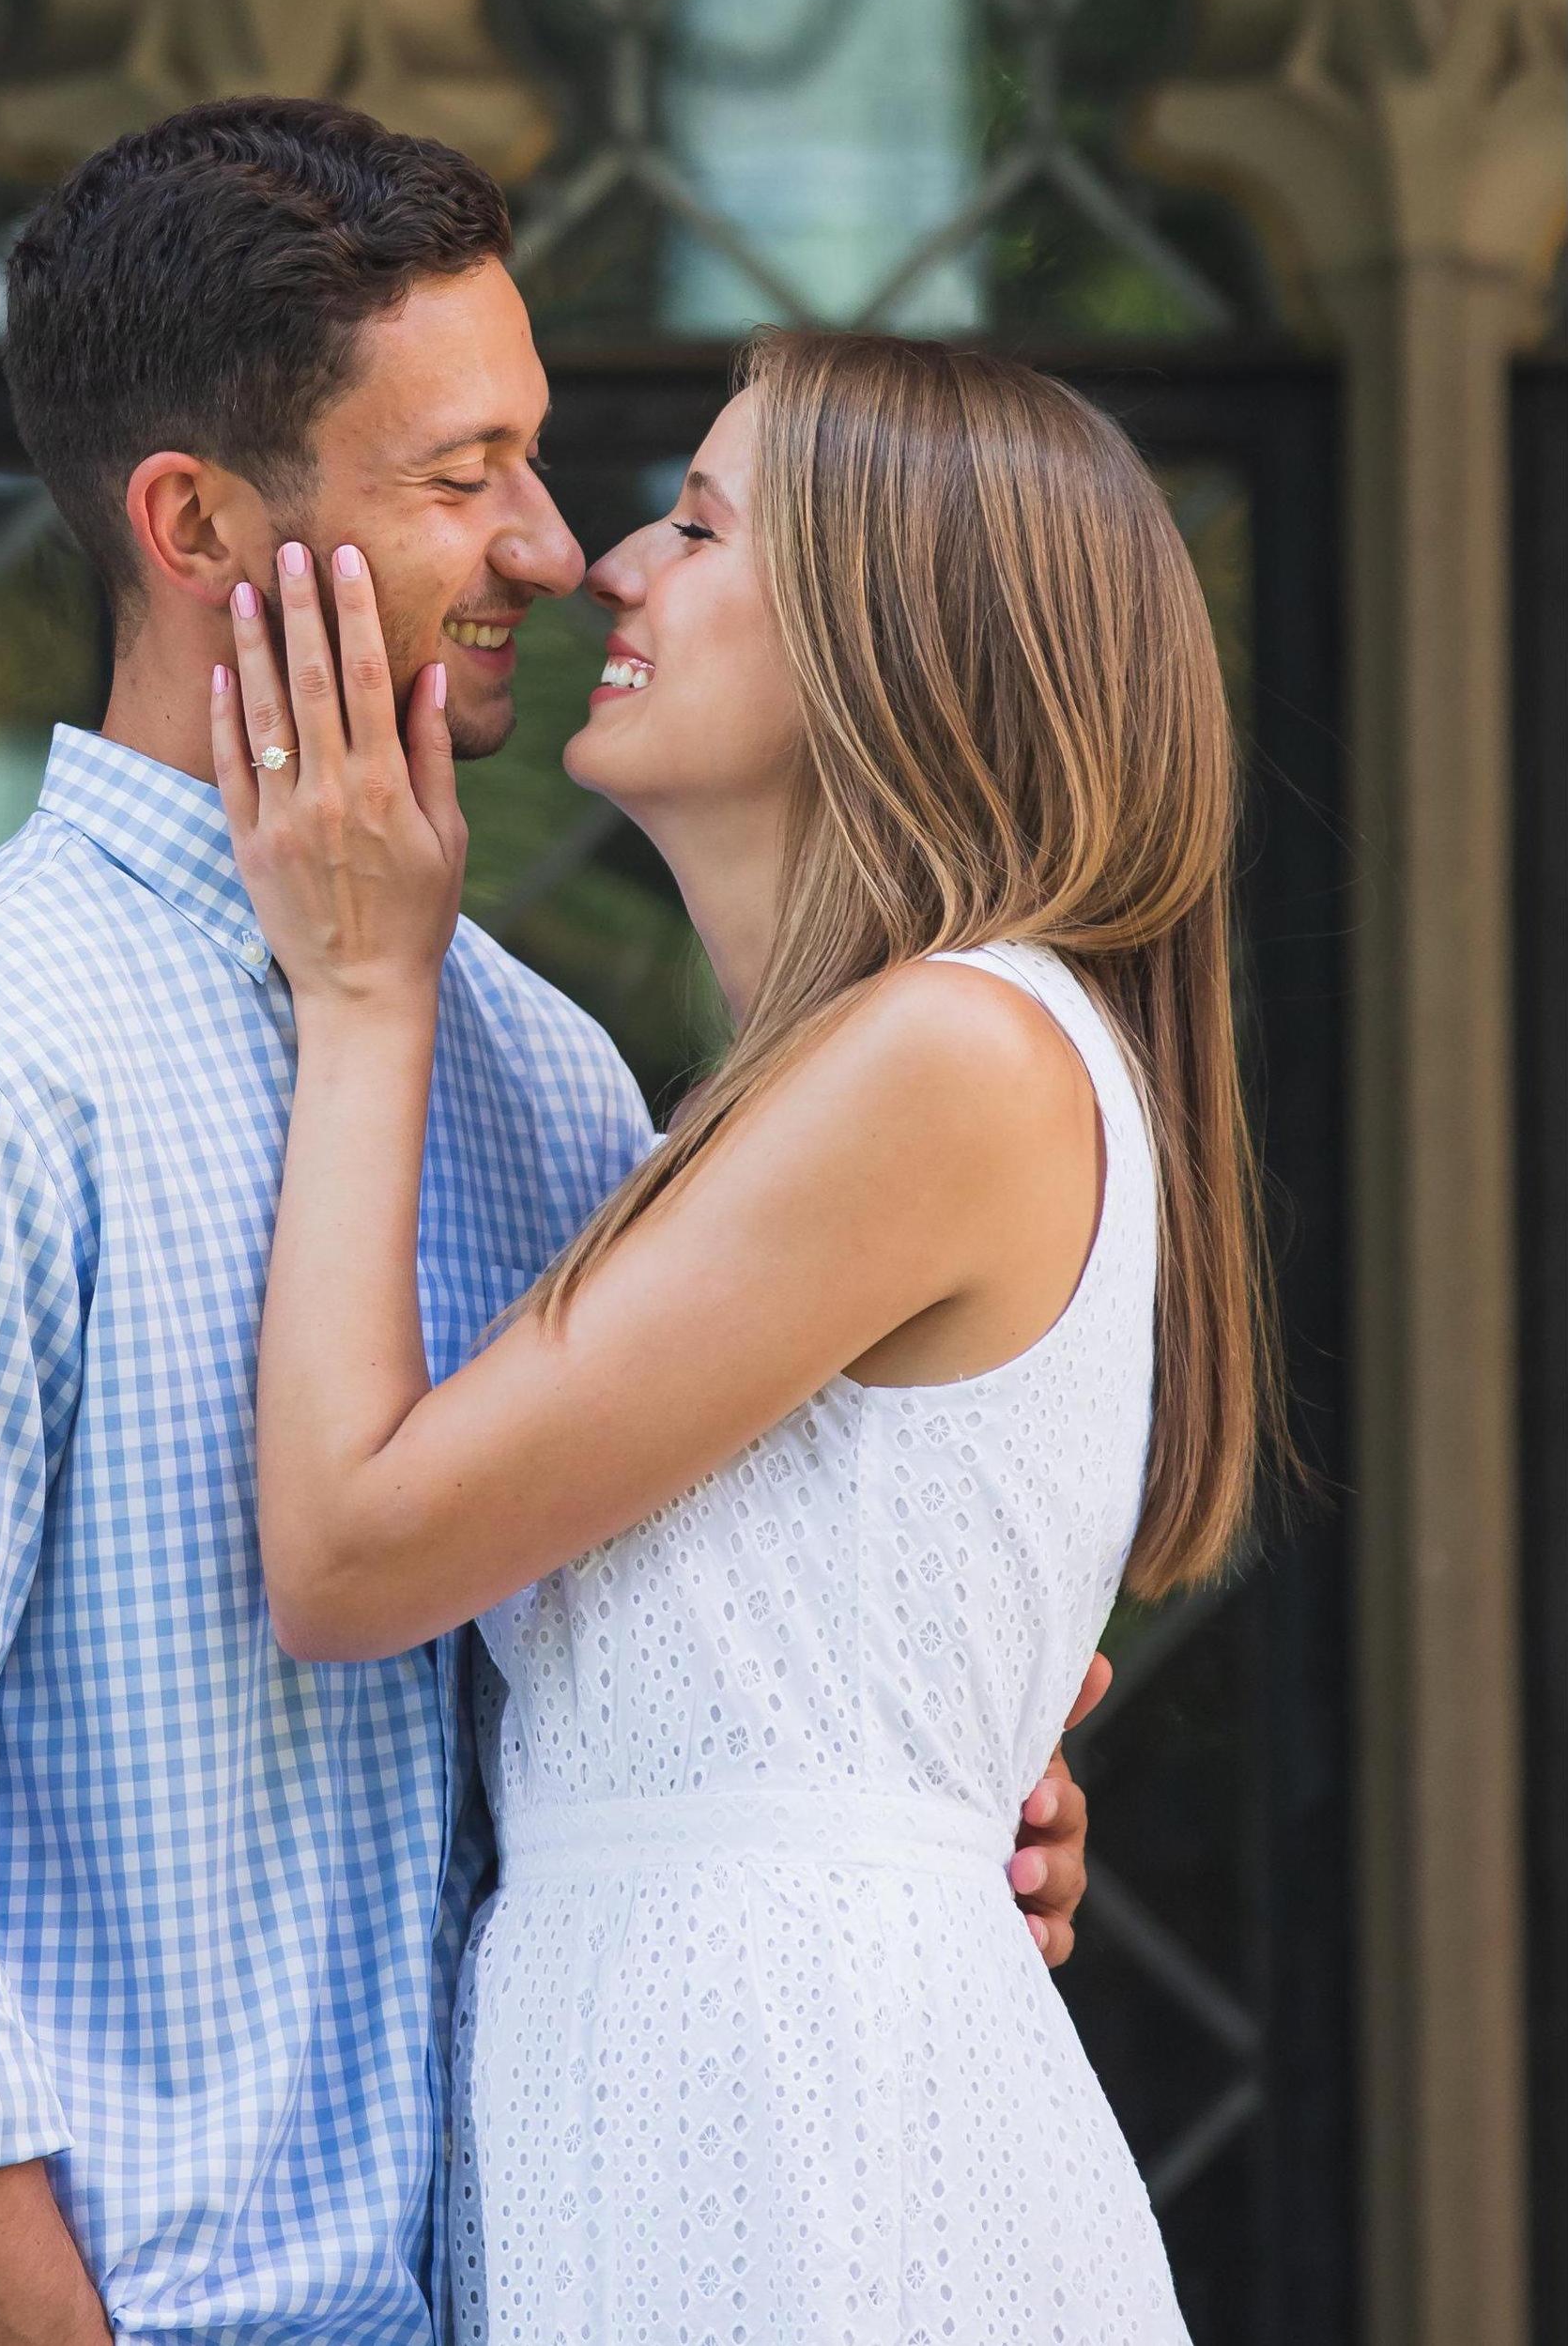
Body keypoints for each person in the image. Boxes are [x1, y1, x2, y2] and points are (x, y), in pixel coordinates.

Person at [0, 100, 1099, 2346]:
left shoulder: (535, 1080)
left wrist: (892, 1796)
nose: (549, 544)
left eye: (538, 458)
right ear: (198, 522)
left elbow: (596, 1694)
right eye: (457, 478)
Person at [210, 324, 1264, 2342]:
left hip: (817, 2153)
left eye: (695, 523)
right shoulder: (768, 1101)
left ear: (890, 642)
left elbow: (349, 1554)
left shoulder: (950, 1050)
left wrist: (360, 991)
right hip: (698, 2111)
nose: (610, 562)